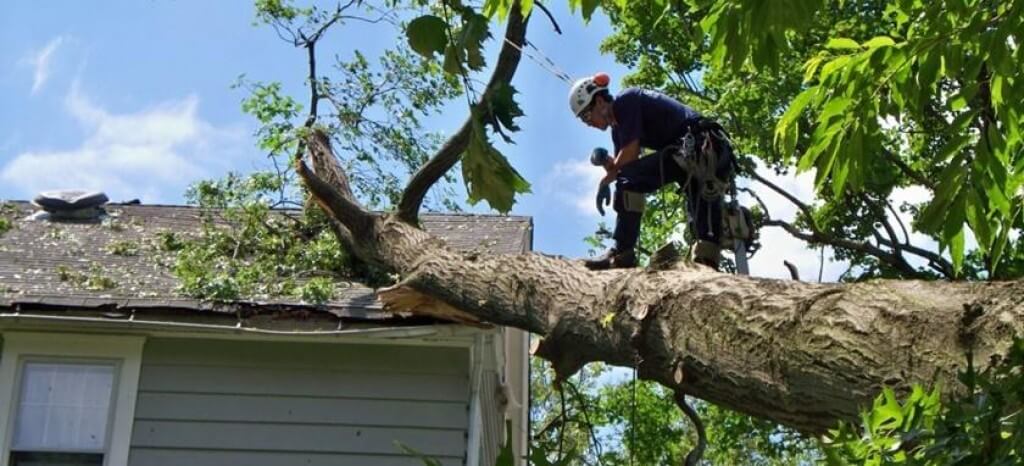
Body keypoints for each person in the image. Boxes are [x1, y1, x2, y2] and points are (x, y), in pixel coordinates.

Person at [570, 72, 735, 271]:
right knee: (700, 210)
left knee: (633, 180)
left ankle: (622, 253)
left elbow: (629, 157)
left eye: (588, 117)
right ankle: (706, 263)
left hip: (701, 145)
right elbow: (624, 165)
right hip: (691, 152)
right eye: (585, 122)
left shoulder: (625, 101)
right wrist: (605, 162)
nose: (590, 125)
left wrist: (605, 182)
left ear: (598, 101)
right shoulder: (618, 129)